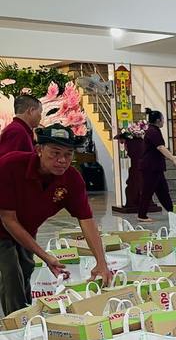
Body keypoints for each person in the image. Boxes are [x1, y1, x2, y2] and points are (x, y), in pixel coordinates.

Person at [0, 124, 114, 314]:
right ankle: (17, 329)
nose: (62, 160)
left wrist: (101, 263)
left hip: (27, 229)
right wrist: (46, 257)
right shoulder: (10, 166)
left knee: (26, 270)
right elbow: (8, 219)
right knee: (11, 274)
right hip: (2, 226)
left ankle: (27, 317)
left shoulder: (72, 180)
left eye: (68, 154)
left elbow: (87, 221)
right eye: (55, 153)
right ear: (39, 150)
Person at [137, 109, 176, 222]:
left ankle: (172, 211)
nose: (163, 122)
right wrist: (174, 159)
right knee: (147, 191)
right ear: (158, 120)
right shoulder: (153, 131)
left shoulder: (154, 130)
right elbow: (161, 147)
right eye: (162, 119)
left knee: (163, 191)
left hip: (155, 167)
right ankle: (141, 215)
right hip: (150, 167)